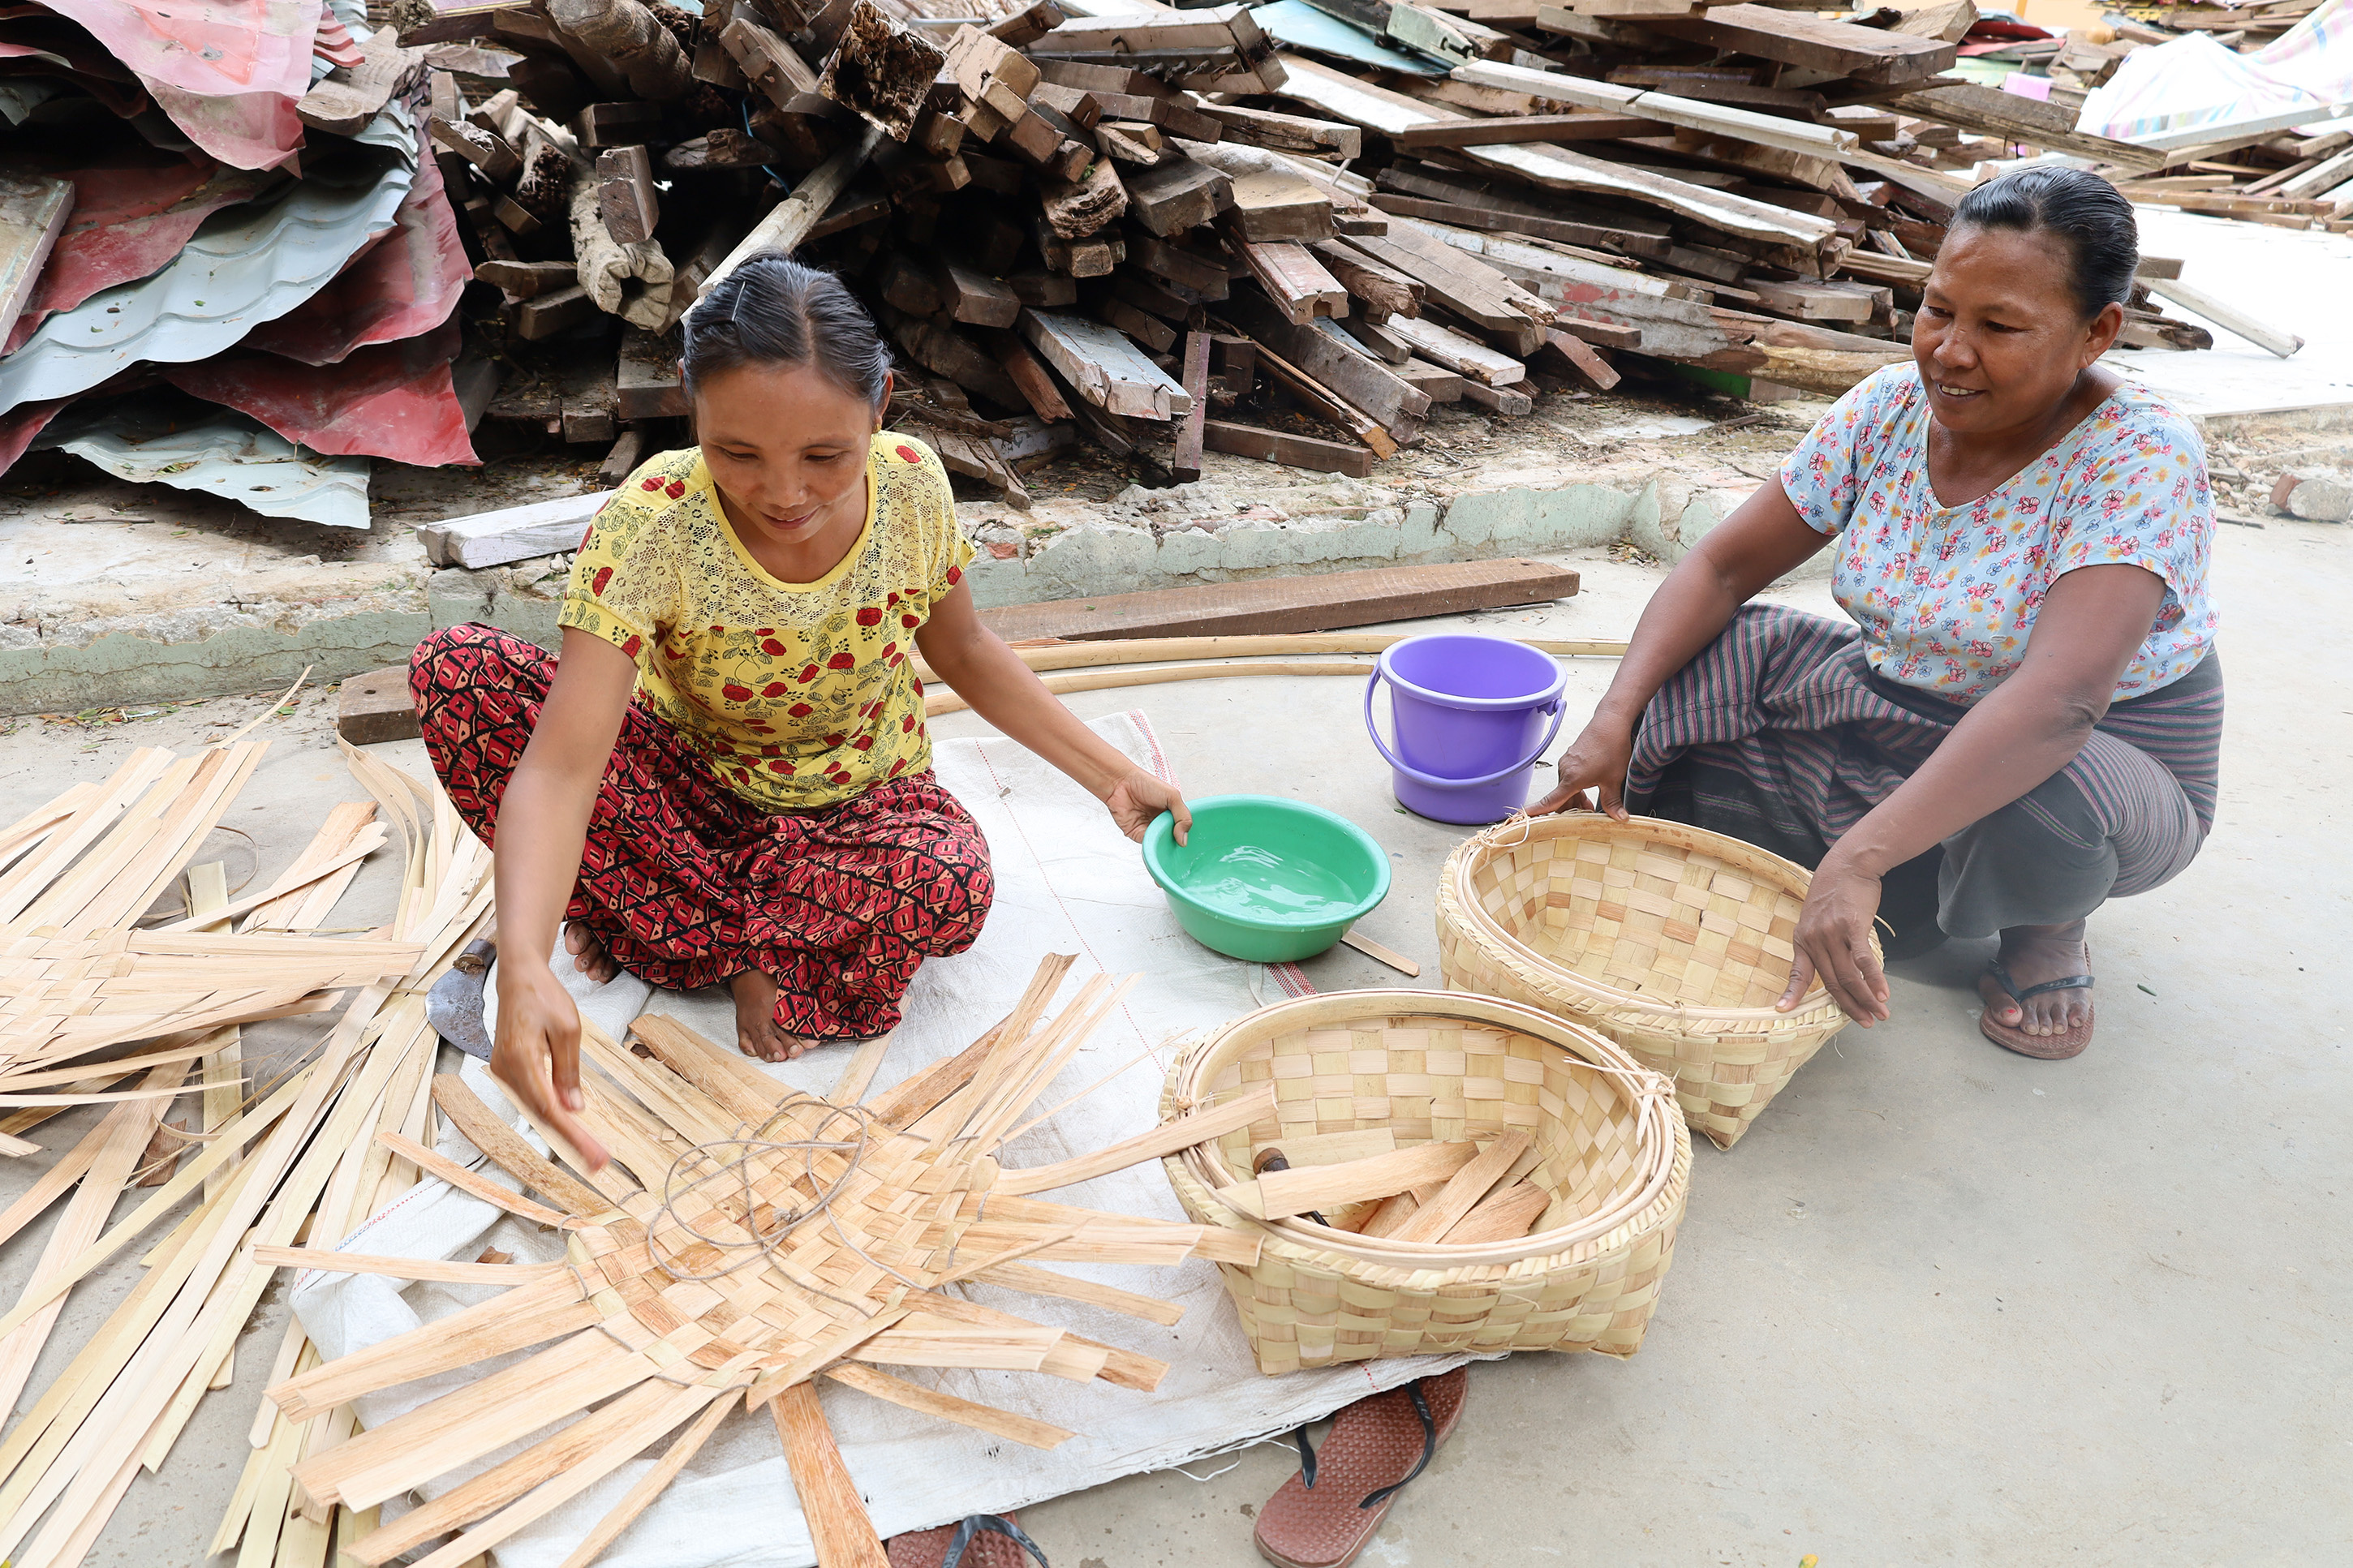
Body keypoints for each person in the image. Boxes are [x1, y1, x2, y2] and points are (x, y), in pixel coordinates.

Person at [409, 254, 1190, 1167]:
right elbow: (563, 766)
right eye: (735, 452)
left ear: (881, 407)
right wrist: (527, 961)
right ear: (689, 409)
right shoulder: (652, 521)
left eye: (825, 456)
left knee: (945, 876)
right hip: (688, 792)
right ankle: (750, 941)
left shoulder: (910, 489)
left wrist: (1109, 776)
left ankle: (666, 920)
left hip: (857, 805)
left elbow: (964, 651)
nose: (784, 493)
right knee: (461, 671)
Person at [1533, 166, 2222, 1061]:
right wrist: (1613, 714)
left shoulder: (2139, 459)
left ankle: (2040, 926)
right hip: (1900, 701)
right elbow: (1719, 566)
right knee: (1711, 657)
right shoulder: (1886, 410)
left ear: (2096, 333)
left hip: (2097, 748)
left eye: (1999, 326)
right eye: (1937, 310)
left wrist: (1857, 860)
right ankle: (1880, 855)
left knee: (2047, 805)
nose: (1948, 352)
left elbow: (2059, 702)